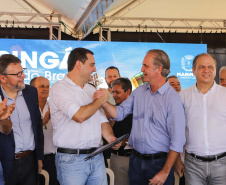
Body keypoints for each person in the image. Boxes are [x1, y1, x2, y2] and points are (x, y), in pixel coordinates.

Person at [95, 49, 186, 185]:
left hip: (159, 163)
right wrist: (102, 101)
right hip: (135, 161)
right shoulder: (139, 92)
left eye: (146, 66)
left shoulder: (173, 100)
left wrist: (165, 171)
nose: (141, 69)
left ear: (159, 69)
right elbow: (119, 114)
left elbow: (178, 141)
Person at [49, 47, 120, 185]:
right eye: (92, 65)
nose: (94, 70)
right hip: (71, 160)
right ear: (79, 64)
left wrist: (111, 138)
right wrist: (102, 99)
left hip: (97, 156)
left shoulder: (90, 89)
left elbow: (101, 121)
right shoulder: (59, 88)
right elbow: (79, 116)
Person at [175, 53, 226, 185]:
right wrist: (177, 160)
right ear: (193, 70)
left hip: (222, 164)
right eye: (202, 67)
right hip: (193, 165)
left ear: (215, 70)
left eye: (210, 67)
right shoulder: (183, 96)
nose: (206, 70)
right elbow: (176, 131)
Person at [0, 54, 44, 185]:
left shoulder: (31, 92)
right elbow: (5, 130)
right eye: (18, 75)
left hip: (30, 161)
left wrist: (39, 157)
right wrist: (3, 118)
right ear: (3, 77)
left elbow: (37, 126)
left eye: (23, 72)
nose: (23, 76)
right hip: (5, 163)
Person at [30, 77, 59, 185]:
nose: (45, 89)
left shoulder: (55, 107)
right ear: (32, 89)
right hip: (33, 158)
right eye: (41, 86)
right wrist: (45, 119)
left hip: (53, 158)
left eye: (47, 86)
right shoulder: (28, 108)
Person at [110, 77, 133, 185]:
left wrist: (123, 142)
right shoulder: (112, 110)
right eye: (113, 92)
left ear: (128, 91)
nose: (114, 95)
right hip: (118, 158)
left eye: (117, 92)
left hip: (137, 158)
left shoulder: (139, 109)